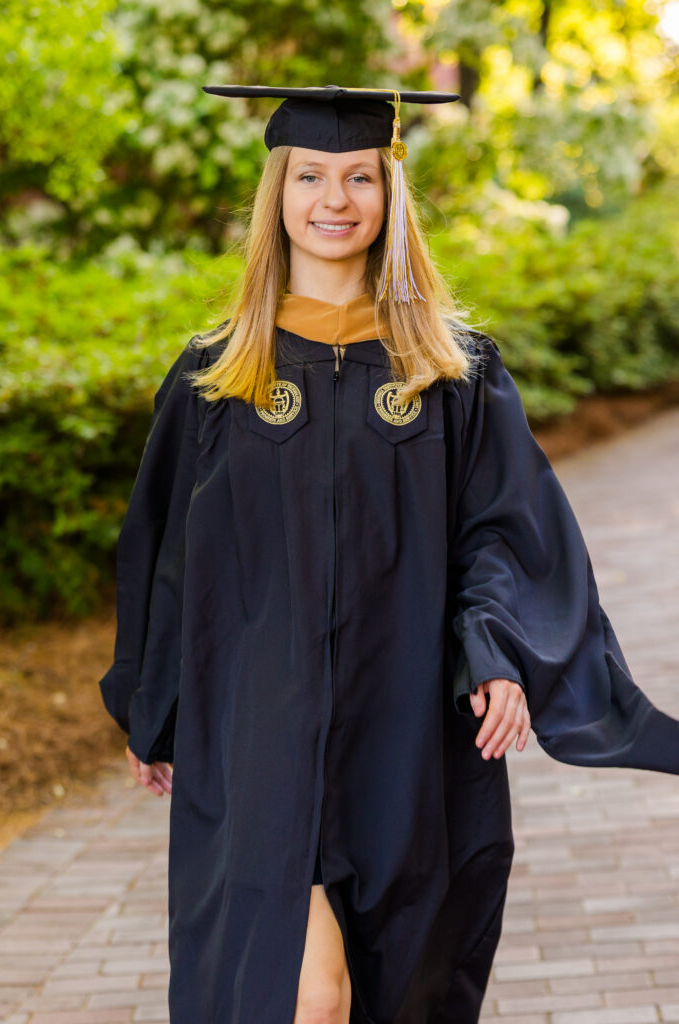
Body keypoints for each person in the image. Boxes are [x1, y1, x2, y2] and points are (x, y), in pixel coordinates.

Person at [99, 85, 679, 1024]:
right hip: (261, 735)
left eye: (359, 176)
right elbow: (163, 550)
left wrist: (493, 656)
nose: (335, 198)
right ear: (277, 197)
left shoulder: (452, 372)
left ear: (388, 193)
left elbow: (501, 530)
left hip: (404, 728)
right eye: (311, 176)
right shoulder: (217, 375)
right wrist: (152, 702)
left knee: (399, 983)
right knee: (306, 996)